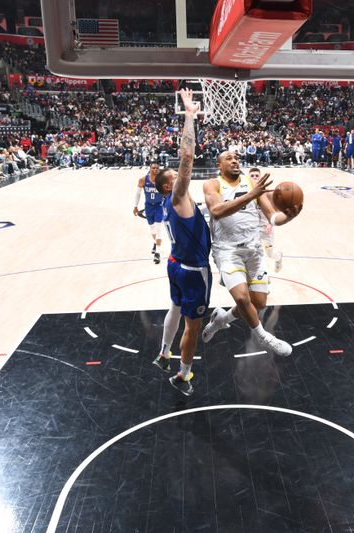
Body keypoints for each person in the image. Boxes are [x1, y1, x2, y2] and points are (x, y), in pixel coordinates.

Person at [200, 153, 300, 355]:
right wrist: (251, 195)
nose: (235, 160)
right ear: (219, 165)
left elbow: (272, 217)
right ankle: (263, 336)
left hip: (254, 251)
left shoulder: (251, 184)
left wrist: (288, 217)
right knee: (242, 299)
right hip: (228, 251)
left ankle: (221, 319)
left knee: (259, 303)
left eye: (236, 157)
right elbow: (217, 211)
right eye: (229, 158)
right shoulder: (213, 184)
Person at [149, 90, 210, 396]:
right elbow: (187, 155)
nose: (182, 174)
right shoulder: (177, 195)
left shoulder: (164, 202)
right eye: (175, 176)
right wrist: (189, 116)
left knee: (174, 308)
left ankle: (163, 353)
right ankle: (183, 376)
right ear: (168, 185)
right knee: (193, 328)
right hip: (193, 270)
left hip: (175, 263)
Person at [247, 167, 283, 273]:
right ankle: (262, 276)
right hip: (252, 229)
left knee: (270, 253)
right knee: (255, 253)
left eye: (256, 176)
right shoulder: (246, 193)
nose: (254, 177)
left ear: (261, 177)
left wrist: (270, 224)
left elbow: (275, 211)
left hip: (266, 228)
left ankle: (279, 257)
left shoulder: (268, 194)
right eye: (252, 176)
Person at [133, 162, 164, 264]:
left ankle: (158, 254)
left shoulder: (162, 180)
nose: (155, 170)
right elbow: (137, 193)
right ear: (150, 169)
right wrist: (135, 206)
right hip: (148, 207)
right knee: (152, 229)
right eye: (153, 168)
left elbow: (168, 192)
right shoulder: (143, 179)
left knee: (159, 229)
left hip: (159, 206)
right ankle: (155, 243)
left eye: (157, 168)